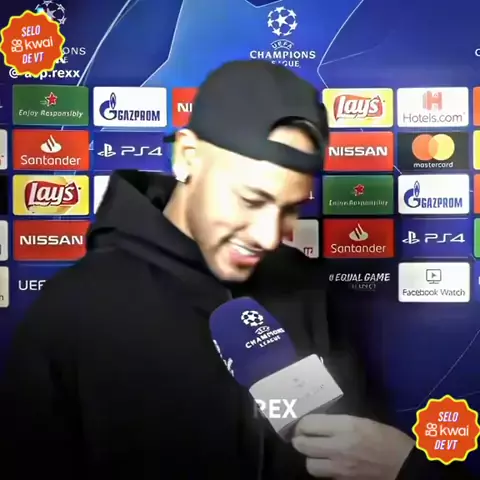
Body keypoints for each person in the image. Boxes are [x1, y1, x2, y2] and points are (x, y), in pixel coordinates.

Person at [0, 60, 473, 479]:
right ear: (187, 156)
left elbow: (347, 448)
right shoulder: (73, 311)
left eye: (291, 208)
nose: (269, 236)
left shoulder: (306, 288)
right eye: (251, 199)